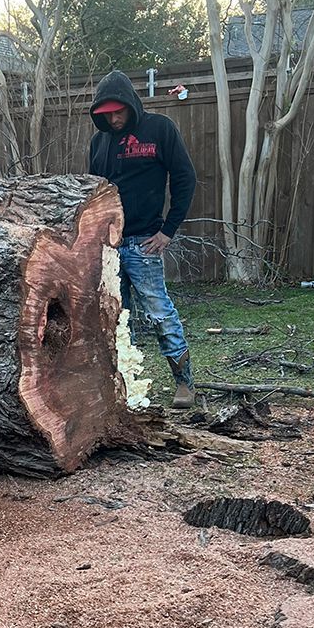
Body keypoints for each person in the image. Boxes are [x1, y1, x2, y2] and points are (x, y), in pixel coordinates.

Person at [88, 69, 198, 408]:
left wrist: (168, 231)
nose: (114, 118)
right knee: (115, 316)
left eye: (118, 111)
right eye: (106, 114)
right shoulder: (99, 142)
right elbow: (93, 193)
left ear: (130, 105)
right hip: (109, 245)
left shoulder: (159, 129)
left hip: (145, 241)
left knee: (158, 310)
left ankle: (184, 382)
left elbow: (185, 179)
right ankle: (125, 386)